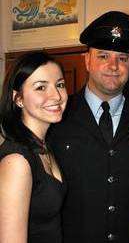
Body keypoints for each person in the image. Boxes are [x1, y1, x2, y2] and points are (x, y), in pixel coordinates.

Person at [49, 11, 129, 243]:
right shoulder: (57, 116)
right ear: (87, 61)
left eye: (122, 58)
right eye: (103, 56)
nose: (113, 66)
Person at [0, 51, 68, 242]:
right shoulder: (17, 162)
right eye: (41, 87)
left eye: (60, 85)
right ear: (18, 99)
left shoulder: (45, 146)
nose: (56, 95)